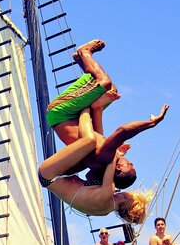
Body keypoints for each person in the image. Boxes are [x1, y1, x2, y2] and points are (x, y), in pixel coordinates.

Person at [46, 39, 167, 190]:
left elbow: (123, 131)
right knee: (112, 90)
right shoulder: (98, 162)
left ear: (118, 169)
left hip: (62, 112)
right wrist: (98, 106)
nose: (132, 163)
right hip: (67, 116)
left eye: (129, 166)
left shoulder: (104, 158)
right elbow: (96, 122)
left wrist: (152, 123)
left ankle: (84, 52)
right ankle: (81, 60)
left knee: (104, 82)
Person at [38, 103, 167, 223]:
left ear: (126, 200)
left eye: (128, 194)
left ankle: (85, 107)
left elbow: (122, 133)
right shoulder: (104, 209)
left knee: (90, 141)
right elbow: (91, 174)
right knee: (99, 154)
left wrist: (152, 124)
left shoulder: (107, 192)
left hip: (50, 175)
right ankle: (96, 109)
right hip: (59, 177)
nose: (122, 191)